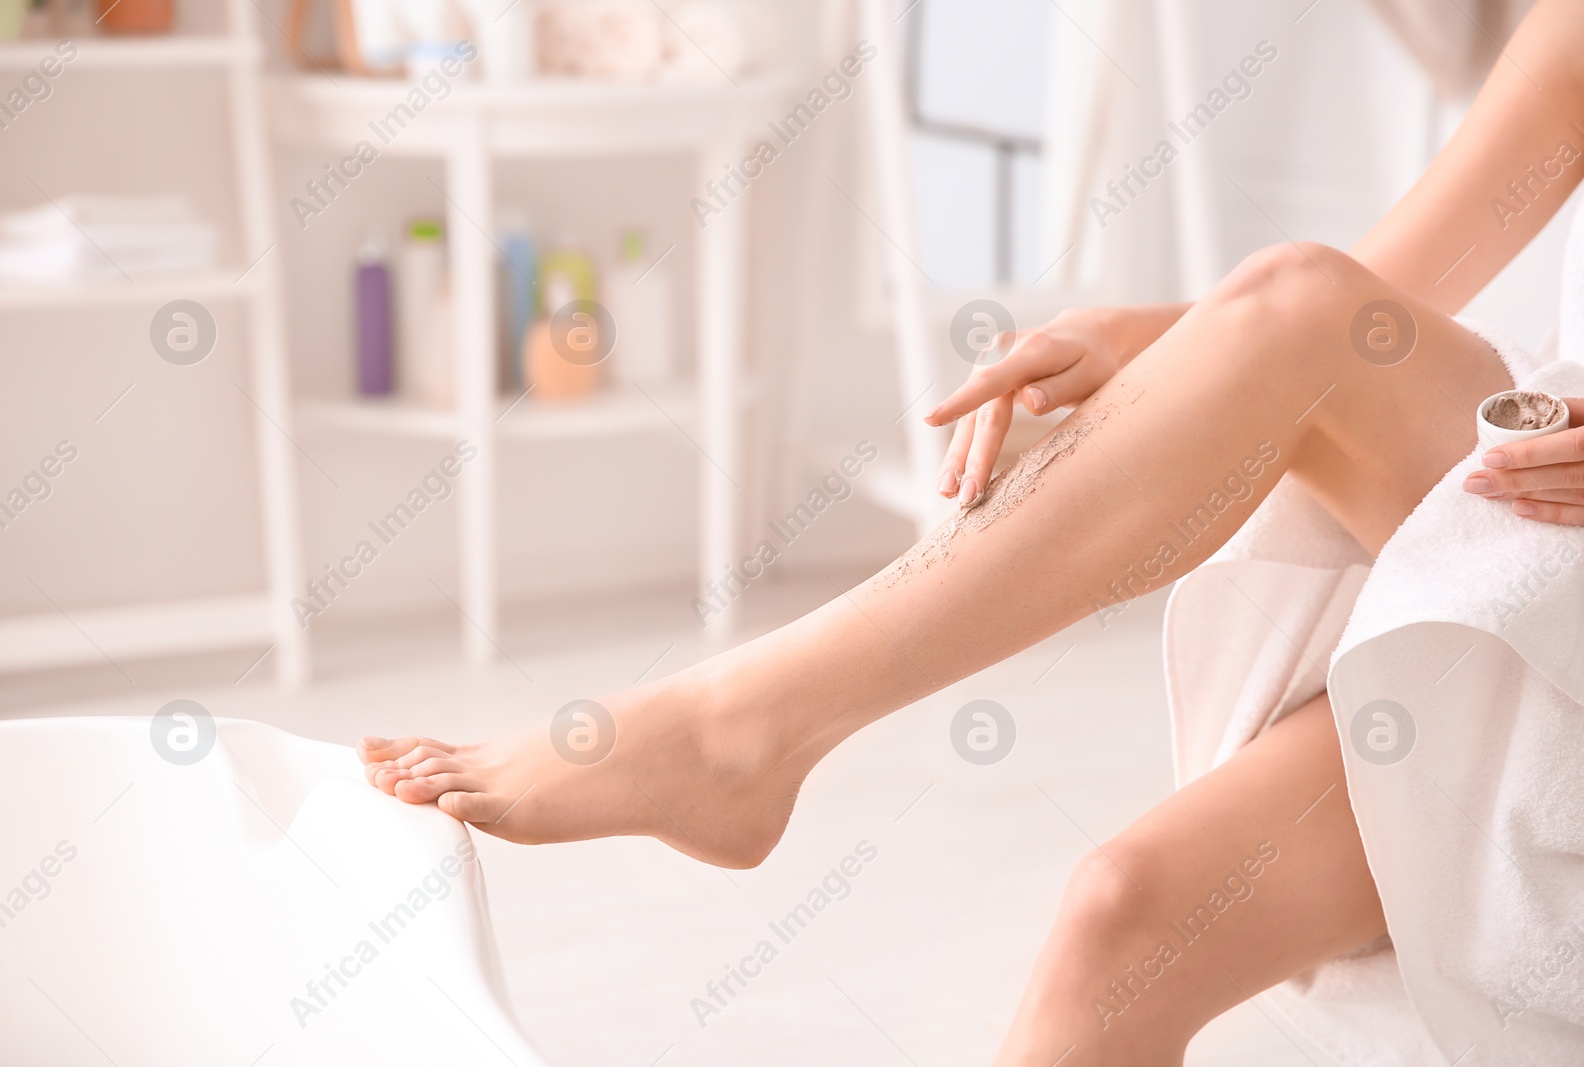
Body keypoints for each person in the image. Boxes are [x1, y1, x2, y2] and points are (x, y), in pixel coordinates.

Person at [356, 1, 1584, 1061]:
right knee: (1122, 918)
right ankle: (741, 731)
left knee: (1296, 305)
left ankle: (743, 727)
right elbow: (1390, 287)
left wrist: (1255, 326)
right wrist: (1175, 337)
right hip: (1535, 530)